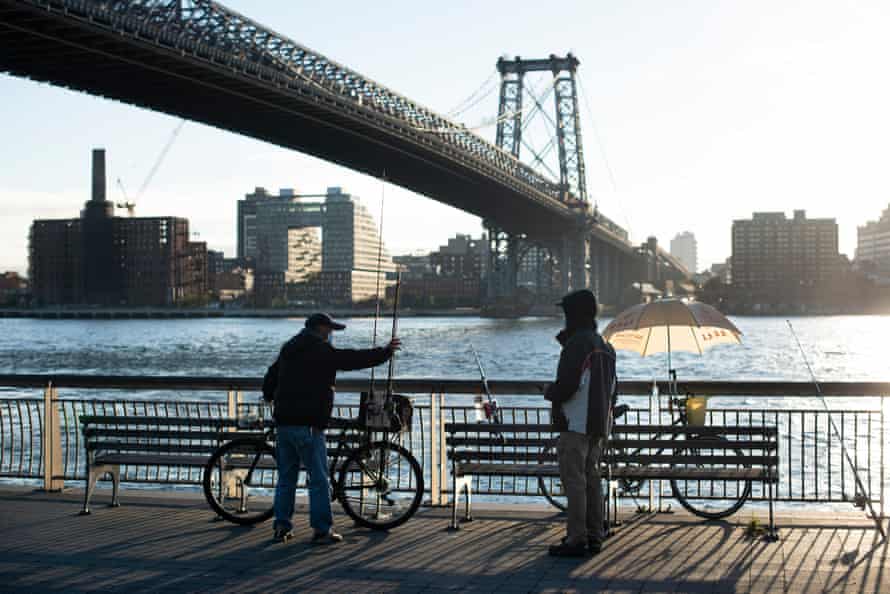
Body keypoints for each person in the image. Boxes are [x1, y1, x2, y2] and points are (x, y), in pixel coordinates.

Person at [268, 312, 401, 544]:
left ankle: (282, 526)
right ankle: (321, 530)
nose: (331, 336)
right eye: (330, 331)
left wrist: (269, 396)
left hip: (284, 422)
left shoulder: (289, 348)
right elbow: (351, 360)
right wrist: (385, 352)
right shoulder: (319, 350)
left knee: (286, 478)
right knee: (318, 478)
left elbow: (271, 376)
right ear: (320, 329)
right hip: (308, 424)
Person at [544, 289, 618, 557]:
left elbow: (568, 386)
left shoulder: (578, 344)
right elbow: (612, 390)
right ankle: (595, 535)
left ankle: (576, 539)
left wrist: (548, 391)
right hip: (598, 424)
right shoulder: (604, 345)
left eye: (565, 312)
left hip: (575, 424)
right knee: (592, 481)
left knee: (574, 483)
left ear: (573, 314)